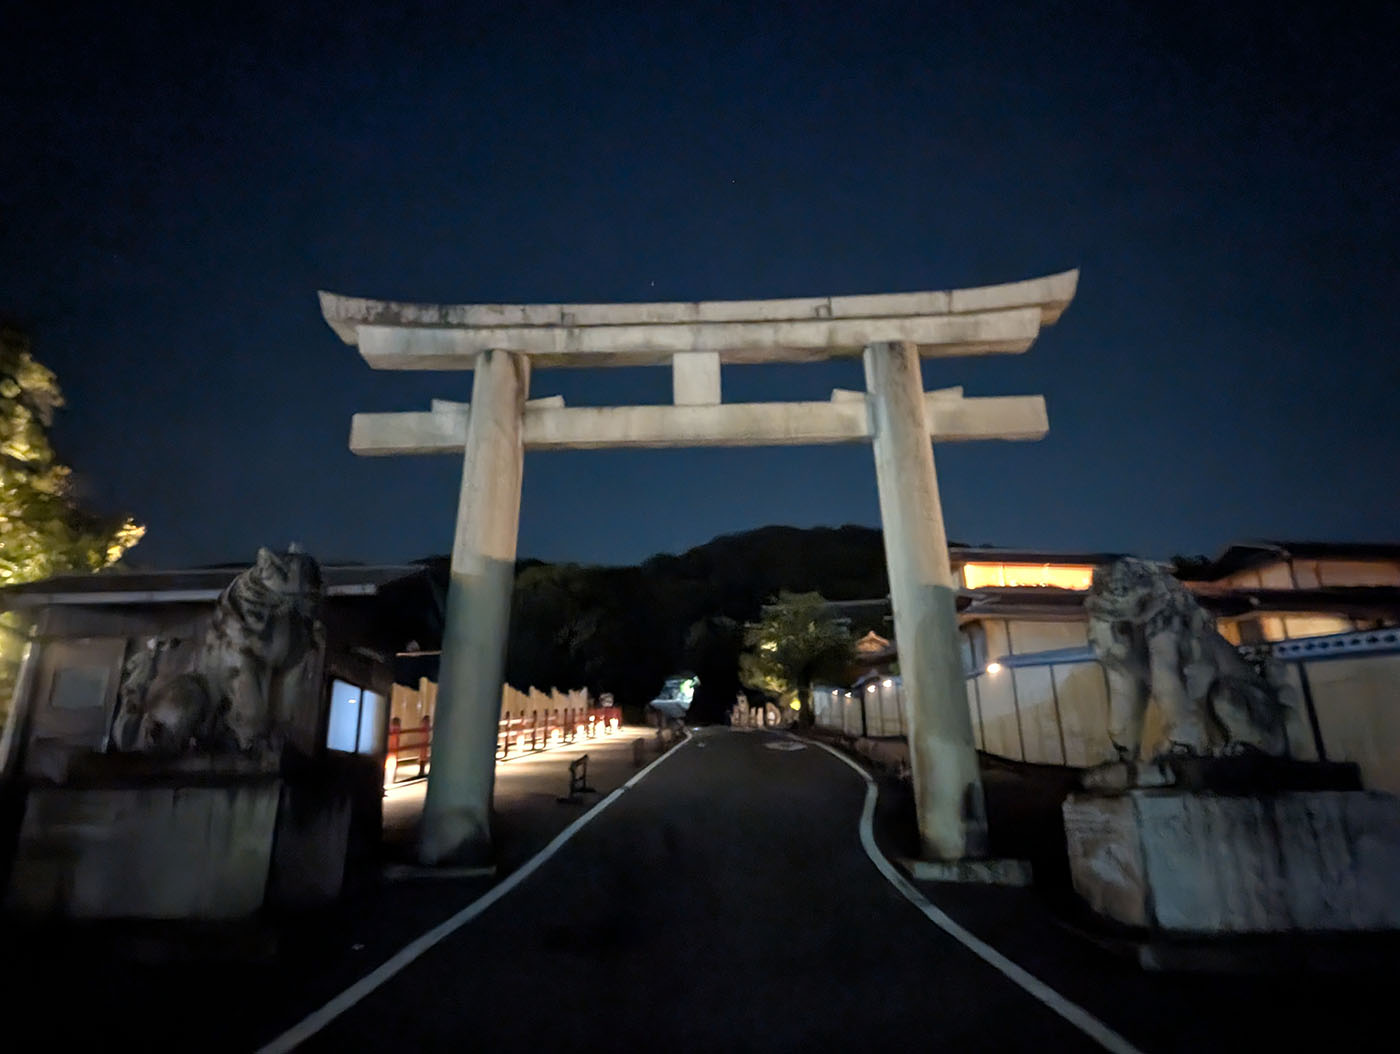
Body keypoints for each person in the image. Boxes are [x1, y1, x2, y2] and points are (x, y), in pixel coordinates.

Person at [417, 713, 432, 777]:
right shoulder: (426, 726)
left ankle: (421, 771)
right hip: (424, 743)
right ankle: (421, 771)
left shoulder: (423, 725)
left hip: (423, 743)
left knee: (423, 756)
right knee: (423, 756)